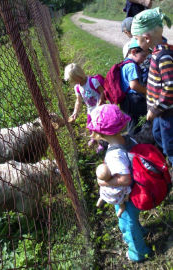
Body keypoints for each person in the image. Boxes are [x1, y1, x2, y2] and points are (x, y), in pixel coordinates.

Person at [87, 104, 151, 262]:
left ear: (101, 134)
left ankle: (138, 253)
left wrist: (104, 183)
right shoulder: (129, 138)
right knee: (130, 220)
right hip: (137, 188)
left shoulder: (115, 154)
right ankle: (139, 232)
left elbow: (125, 179)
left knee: (128, 222)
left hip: (128, 195)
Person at [131, 7, 173, 170]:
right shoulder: (157, 52)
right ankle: (167, 160)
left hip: (166, 112)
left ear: (146, 38)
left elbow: (170, 86)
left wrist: (155, 109)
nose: (135, 42)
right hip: (160, 112)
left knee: (170, 144)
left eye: (136, 38)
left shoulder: (164, 56)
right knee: (157, 135)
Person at [64, 63, 106, 152]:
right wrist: (75, 112)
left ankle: (102, 143)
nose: (73, 82)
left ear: (78, 76)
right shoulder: (78, 87)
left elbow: (102, 92)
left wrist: (100, 102)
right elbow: (78, 101)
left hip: (100, 108)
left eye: (73, 80)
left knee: (100, 127)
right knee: (90, 126)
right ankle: (94, 138)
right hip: (90, 110)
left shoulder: (92, 82)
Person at [120, 38, 148, 135]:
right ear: (133, 52)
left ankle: (133, 139)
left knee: (133, 121)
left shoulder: (125, 63)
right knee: (145, 117)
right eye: (143, 56)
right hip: (133, 100)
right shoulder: (131, 66)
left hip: (126, 101)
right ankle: (135, 142)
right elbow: (134, 85)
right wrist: (147, 91)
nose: (144, 59)